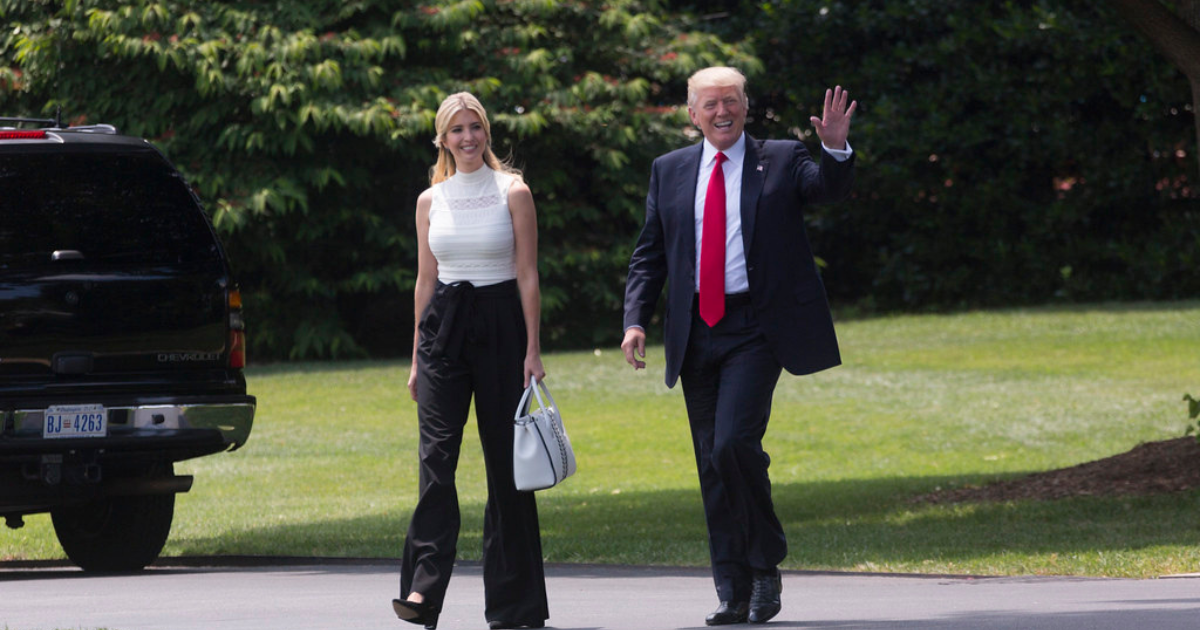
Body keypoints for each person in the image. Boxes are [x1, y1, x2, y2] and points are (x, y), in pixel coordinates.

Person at [621, 67, 856, 626]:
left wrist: (836, 149)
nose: (721, 111)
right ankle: (732, 587)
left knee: (732, 444)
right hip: (694, 330)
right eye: (710, 104)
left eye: (731, 101)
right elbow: (650, 252)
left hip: (755, 327)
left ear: (745, 107)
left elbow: (827, 189)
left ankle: (765, 563)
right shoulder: (669, 170)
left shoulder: (781, 157)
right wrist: (635, 320)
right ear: (692, 114)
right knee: (711, 463)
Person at [393, 92, 549, 630]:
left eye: (474, 127)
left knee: (507, 469)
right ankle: (422, 591)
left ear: (487, 132)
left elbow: (528, 275)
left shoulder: (514, 191)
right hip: (443, 333)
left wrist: (533, 349)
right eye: (455, 130)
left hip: (503, 327)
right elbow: (425, 281)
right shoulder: (429, 200)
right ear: (442, 139)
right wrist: (417, 358)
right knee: (436, 463)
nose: (466, 138)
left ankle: (515, 606)